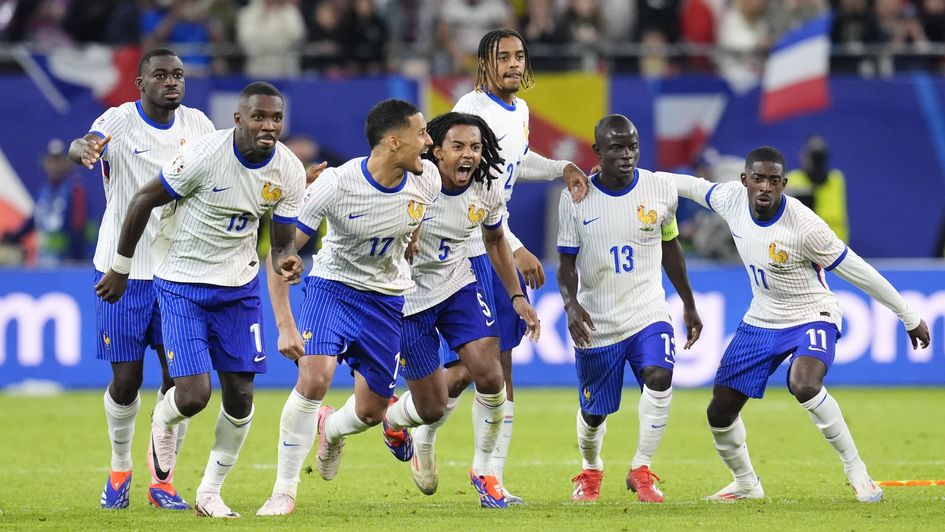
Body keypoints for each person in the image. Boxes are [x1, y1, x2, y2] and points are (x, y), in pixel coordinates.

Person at [669, 146, 930, 502]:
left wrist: (908, 315)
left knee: (803, 384)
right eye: (758, 179)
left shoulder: (805, 226)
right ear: (744, 180)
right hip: (762, 317)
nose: (765, 187)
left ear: (784, 184)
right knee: (719, 411)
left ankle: (857, 471)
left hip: (812, 313)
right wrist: (637, 180)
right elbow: (687, 185)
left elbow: (859, 272)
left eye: (773, 181)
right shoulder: (729, 198)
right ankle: (746, 483)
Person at [95, 81, 306, 518]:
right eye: (259, 117)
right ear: (238, 119)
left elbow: (283, 243)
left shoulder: (288, 169)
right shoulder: (204, 155)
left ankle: (209, 492)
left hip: (239, 287)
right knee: (192, 395)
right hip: (183, 283)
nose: (269, 126)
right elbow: (142, 201)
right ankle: (159, 423)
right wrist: (119, 266)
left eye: (276, 118)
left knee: (242, 396)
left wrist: (288, 260)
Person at [413, 27, 589, 506]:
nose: (513, 64)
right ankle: (428, 435)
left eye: (519, 56)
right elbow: (469, 188)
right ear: (484, 64)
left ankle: (483, 471)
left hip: (490, 240)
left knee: (489, 371)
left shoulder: (520, 111)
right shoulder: (471, 112)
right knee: (487, 369)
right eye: (503, 57)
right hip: (468, 249)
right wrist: (515, 246)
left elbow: (513, 163)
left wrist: (561, 168)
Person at [256, 99, 439, 517]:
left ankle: (330, 428)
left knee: (373, 412)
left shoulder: (425, 180)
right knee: (315, 377)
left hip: (387, 299)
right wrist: (285, 323)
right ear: (394, 142)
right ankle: (283, 491)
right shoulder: (336, 184)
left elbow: (416, 216)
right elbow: (280, 253)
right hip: (332, 289)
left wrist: (411, 236)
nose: (428, 143)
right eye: (422, 133)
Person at [67, 47, 216, 511]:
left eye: (178, 75)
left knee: (181, 382)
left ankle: (163, 481)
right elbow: (85, 141)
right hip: (122, 270)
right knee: (127, 381)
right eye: (160, 75)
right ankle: (118, 467)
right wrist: (83, 149)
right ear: (141, 83)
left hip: (180, 272)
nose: (171, 81)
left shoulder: (199, 126)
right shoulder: (119, 121)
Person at [379, 112, 540, 509]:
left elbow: (496, 239)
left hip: (456, 284)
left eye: (475, 147)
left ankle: (485, 472)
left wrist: (517, 297)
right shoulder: (413, 184)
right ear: (436, 150)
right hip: (409, 298)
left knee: (489, 373)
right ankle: (396, 419)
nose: (468, 154)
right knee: (431, 403)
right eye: (458, 146)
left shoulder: (486, 187)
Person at [558, 115, 702, 503]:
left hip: (647, 312)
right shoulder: (576, 196)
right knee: (594, 415)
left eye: (633, 146)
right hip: (597, 320)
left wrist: (688, 302)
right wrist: (571, 306)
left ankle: (642, 468)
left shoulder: (659, 189)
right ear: (598, 152)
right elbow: (566, 263)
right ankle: (590, 471)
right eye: (617, 148)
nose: (627, 155)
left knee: (659, 375)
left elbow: (671, 246)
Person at [3, 139, 87, 266]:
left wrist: (76, 261)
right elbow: (35, 218)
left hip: (66, 262)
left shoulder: (75, 190)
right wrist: (15, 235)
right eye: (51, 160)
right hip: (43, 260)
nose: (54, 165)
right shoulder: (43, 190)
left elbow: (78, 228)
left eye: (58, 161)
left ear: (66, 163)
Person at [785, 135, 849, 243]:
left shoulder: (835, 179)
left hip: (835, 243)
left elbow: (819, 181)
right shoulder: (792, 179)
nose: (801, 156)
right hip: (802, 244)